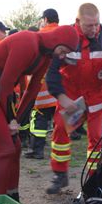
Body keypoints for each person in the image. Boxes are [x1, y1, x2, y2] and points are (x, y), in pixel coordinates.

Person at [0, 26, 79, 204]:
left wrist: (18, 120)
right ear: (56, 40)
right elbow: (5, 84)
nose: (62, 56)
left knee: (16, 146)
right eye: (63, 50)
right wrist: (11, 119)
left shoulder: (46, 55)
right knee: (5, 150)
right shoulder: (27, 42)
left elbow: (33, 89)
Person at [45, 3, 102, 194]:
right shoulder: (65, 39)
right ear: (77, 22)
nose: (94, 29)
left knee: (96, 139)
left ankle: (93, 181)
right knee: (59, 130)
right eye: (89, 25)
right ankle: (60, 175)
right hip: (72, 100)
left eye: (96, 25)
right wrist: (62, 97)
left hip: (98, 99)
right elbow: (52, 74)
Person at [25, 9, 60, 159]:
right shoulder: (67, 33)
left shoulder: (40, 36)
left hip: (43, 86)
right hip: (62, 89)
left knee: (39, 118)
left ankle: (36, 150)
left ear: (45, 19)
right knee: (59, 121)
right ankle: (60, 151)